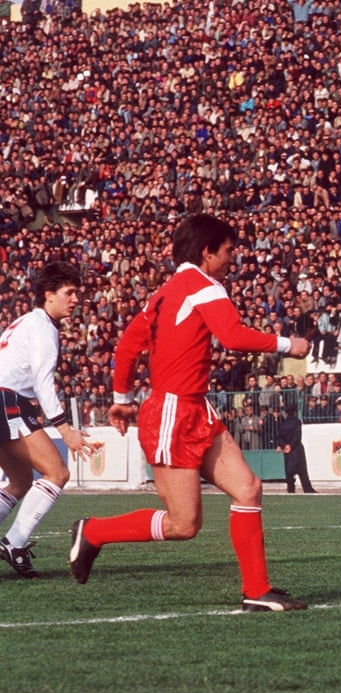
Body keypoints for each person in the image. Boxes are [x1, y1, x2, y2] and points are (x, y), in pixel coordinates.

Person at [71, 213, 312, 612]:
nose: (233, 258)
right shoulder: (203, 286)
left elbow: (128, 346)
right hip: (173, 411)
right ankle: (94, 531)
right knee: (183, 524)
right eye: (229, 251)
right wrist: (288, 345)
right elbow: (232, 336)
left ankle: (257, 590)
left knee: (248, 488)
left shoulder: (164, 293)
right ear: (207, 252)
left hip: (193, 406)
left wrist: (122, 398)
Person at [0, 262, 98, 578]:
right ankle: (13, 544)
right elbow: (43, 384)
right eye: (69, 293)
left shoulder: (25, 322)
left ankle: (13, 544)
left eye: (77, 293)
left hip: (6, 399)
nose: (76, 299)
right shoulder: (42, 327)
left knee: (20, 482)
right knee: (57, 472)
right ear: (49, 295)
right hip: (7, 401)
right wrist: (65, 430)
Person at [276, 405, 317, 494]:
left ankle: (290, 489)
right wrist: (291, 445)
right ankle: (307, 489)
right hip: (296, 449)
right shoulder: (297, 422)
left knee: (289, 472)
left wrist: (285, 445)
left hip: (287, 450)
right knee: (302, 471)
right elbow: (297, 436)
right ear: (295, 412)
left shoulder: (283, 423)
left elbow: (280, 437)